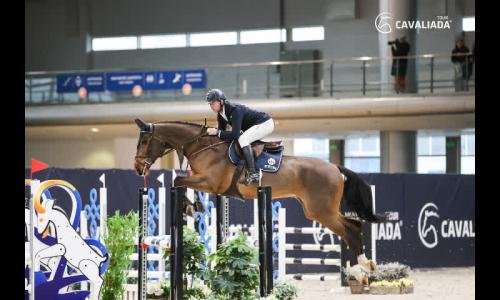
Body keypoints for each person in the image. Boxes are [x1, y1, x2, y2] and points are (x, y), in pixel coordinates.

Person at [205, 88, 275, 185]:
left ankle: (253, 173)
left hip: (265, 123)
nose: (211, 106)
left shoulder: (235, 110)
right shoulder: (220, 115)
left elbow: (234, 134)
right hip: (256, 125)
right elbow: (222, 134)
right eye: (210, 104)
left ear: (221, 101)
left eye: (212, 103)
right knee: (240, 139)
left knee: (243, 138)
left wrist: (216, 132)